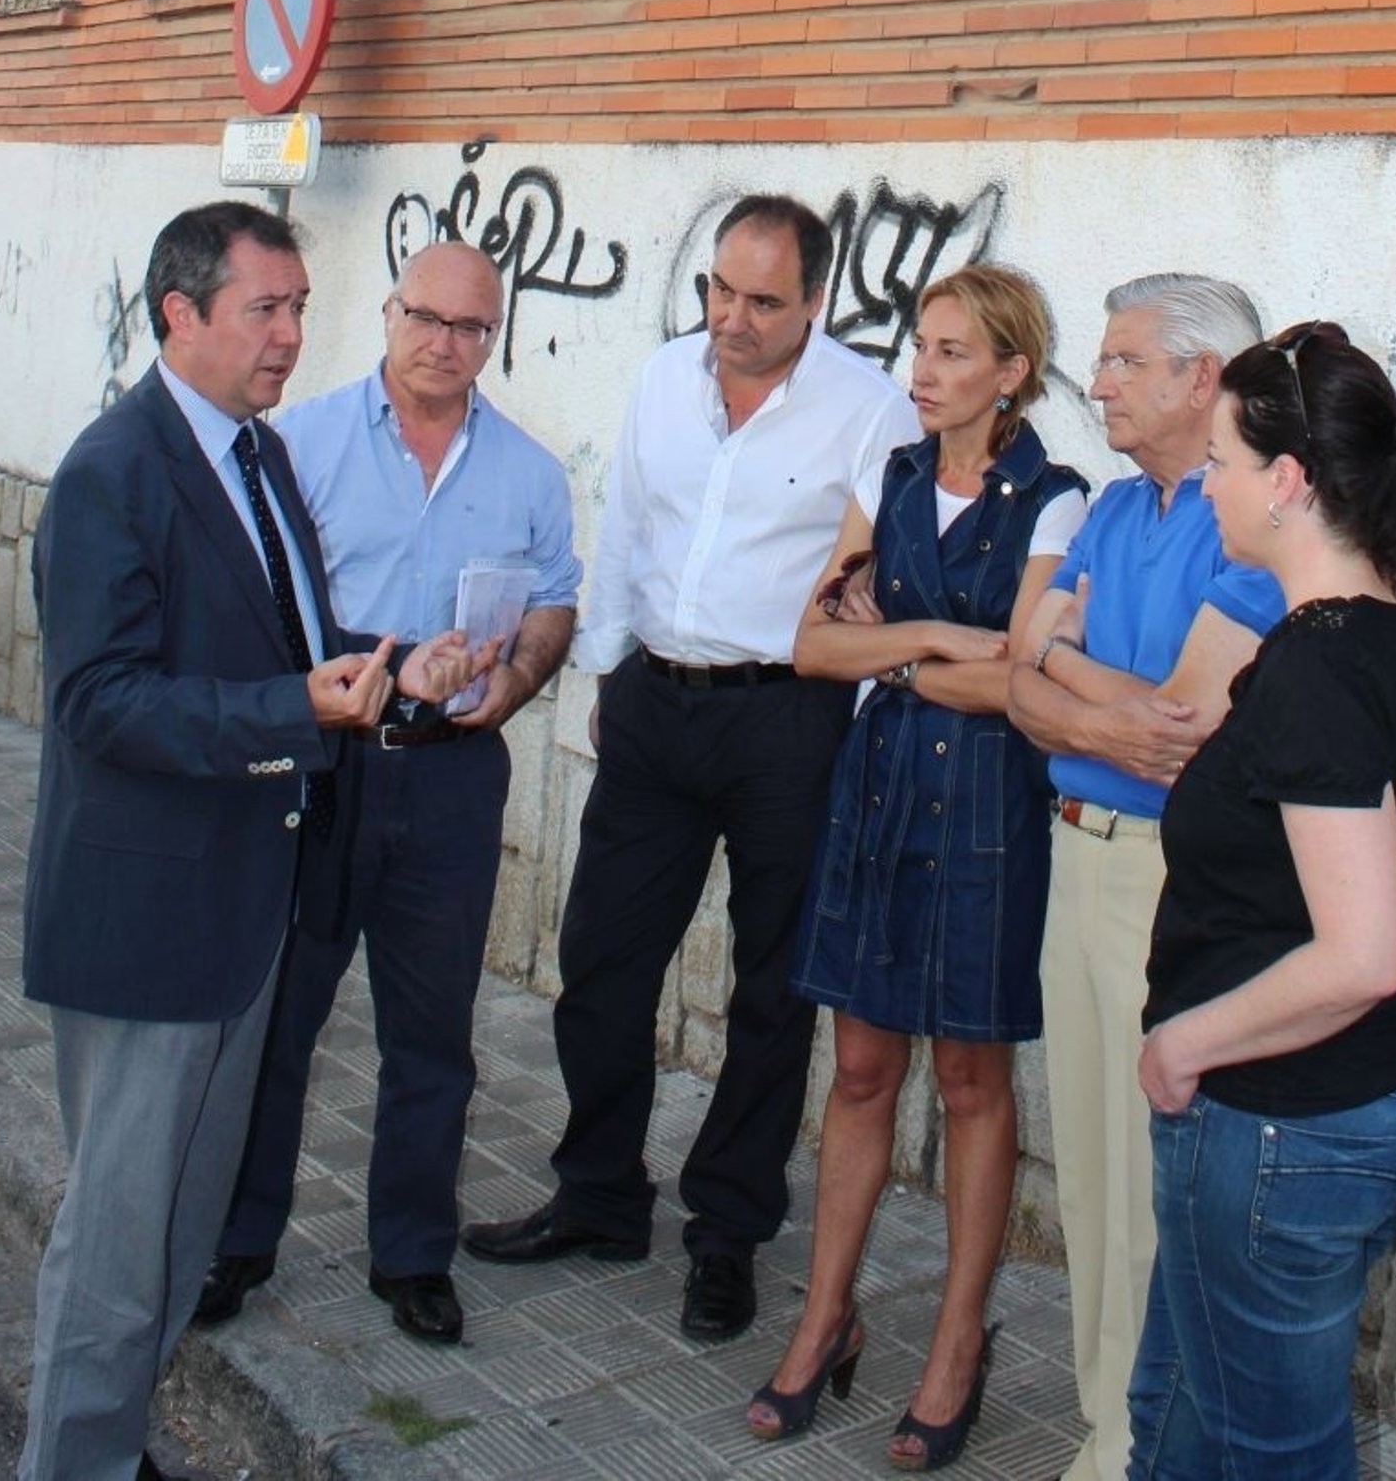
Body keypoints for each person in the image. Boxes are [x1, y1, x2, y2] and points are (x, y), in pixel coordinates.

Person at [18, 202, 434, 1481]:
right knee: (118, 1243)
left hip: (244, 907)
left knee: (183, 1224)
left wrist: (390, 668)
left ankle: (112, 1443)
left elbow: (273, 642)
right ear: (180, 314)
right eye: (266, 309)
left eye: (300, 306)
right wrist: (295, 709)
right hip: (149, 924)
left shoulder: (256, 453)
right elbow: (101, 702)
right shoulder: (115, 470)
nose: (292, 335)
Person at [464, 194, 921, 1345]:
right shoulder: (667, 377)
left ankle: (728, 1231)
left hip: (790, 721)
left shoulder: (871, 410)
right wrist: (608, 676)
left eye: (764, 300)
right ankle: (600, 1193)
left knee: (772, 990)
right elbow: (626, 527)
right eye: (722, 289)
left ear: (816, 300)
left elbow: (883, 581)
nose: (733, 317)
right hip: (657, 705)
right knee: (600, 959)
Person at [196, 240, 579, 1346]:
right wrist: (384, 664)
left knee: (433, 1034)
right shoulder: (298, 444)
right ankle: (240, 1240)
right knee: (282, 1018)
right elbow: (262, 609)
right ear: (387, 312)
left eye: (471, 328)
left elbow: (556, 601)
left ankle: (412, 1255)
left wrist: (512, 681)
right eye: (426, 317)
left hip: (452, 775)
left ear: (493, 338)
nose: (443, 344)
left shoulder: (529, 472)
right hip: (325, 769)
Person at [1128, 321, 1396, 1479]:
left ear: (1287, 482)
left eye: (1222, 462)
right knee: (1174, 1416)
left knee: (1269, 1453)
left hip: (1288, 1125)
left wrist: (1185, 1043)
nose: (1209, 486)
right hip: (1357, 1099)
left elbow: (1363, 953)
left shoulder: (1319, 668)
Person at [747, 266, 1082, 1471]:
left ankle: (956, 1343)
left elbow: (1023, 679)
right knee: (859, 1069)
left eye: (952, 352)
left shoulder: (1057, 501)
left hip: (990, 810)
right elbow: (807, 644)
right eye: (920, 347)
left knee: (975, 1080)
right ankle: (825, 1317)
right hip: (880, 791)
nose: (922, 372)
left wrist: (884, 646)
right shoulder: (888, 478)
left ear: (1011, 372)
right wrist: (938, 637)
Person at [1007, 275, 1283, 1481]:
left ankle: (1141, 1444)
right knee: (1088, 1170)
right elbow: (1018, 675)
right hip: (1075, 850)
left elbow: (1185, 724)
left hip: (1166, 879)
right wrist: (1071, 689)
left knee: (1147, 1177)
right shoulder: (1115, 509)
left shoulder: (1252, 526)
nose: (1099, 382)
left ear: (1201, 377)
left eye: (1124, 361)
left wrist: (1064, 673)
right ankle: (1105, 1423)